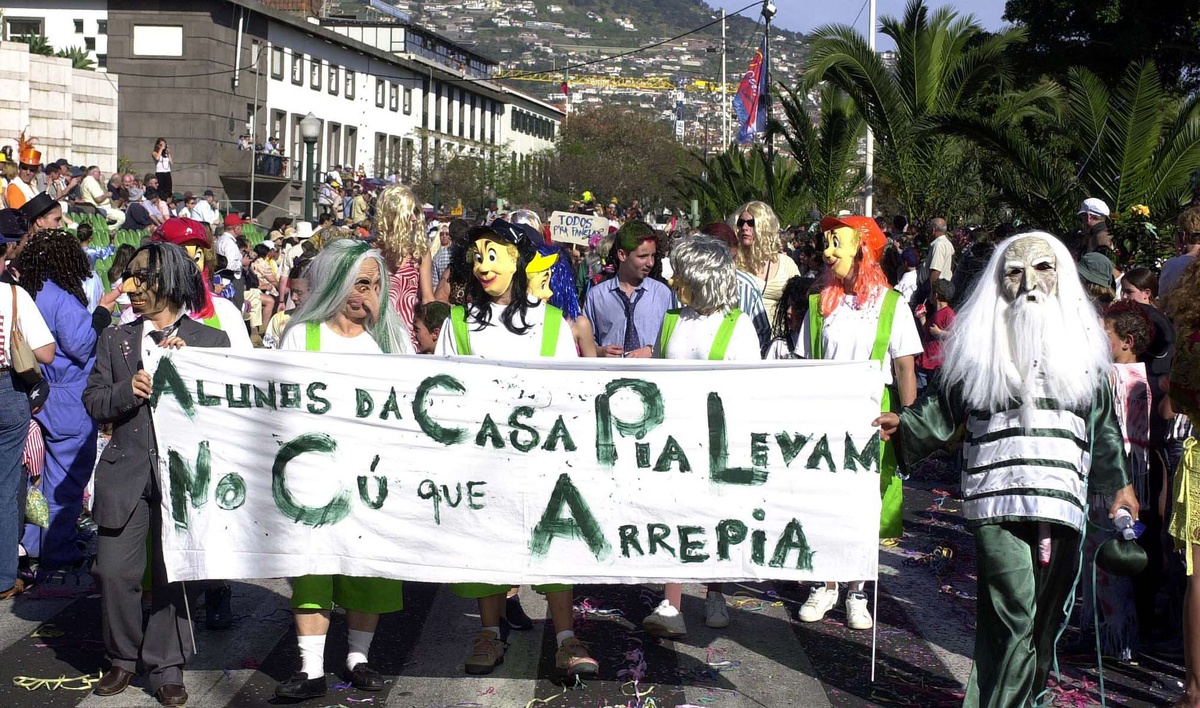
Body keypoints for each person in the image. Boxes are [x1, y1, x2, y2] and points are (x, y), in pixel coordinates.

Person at [874, 231, 1136, 708]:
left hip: (1060, 498)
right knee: (1014, 610)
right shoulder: (979, 349)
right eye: (1015, 272)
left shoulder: (1085, 351)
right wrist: (906, 423)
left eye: (1042, 269)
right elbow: (943, 407)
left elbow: (1102, 425)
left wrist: (1120, 484)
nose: (1029, 284)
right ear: (999, 283)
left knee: (1044, 617)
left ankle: (1027, 694)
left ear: (1061, 277)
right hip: (996, 494)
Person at [436, 220, 597, 678]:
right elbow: (442, 388)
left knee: (554, 544)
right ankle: (489, 633)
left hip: (540, 462)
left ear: (518, 260)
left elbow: (569, 393)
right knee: (486, 542)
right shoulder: (459, 322)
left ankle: (566, 638)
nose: (483, 266)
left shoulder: (552, 323)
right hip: (482, 461)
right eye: (477, 256)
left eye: (494, 255)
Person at [83, 241, 230, 706]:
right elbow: (94, 401)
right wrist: (128, 389)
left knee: (175, 575)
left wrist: (193, 372)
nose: (132, 286)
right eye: (130, 276)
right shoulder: (115, 338)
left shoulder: (210, 341)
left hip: (183, 478)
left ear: (171, 280)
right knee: (113, 571)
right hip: (124, 473)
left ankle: (167, 665)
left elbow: (227, 412)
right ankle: (122, 657)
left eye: (142, 277)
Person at [274, 240, 411, 701]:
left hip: (369, 477)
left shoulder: (390, 344)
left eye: (372, 284)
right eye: (355, 282)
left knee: (367, 569)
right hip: (313, 475)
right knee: (311, 565)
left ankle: (358, 657)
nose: (363, 293)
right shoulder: (303, 335)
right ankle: (310, 668)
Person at [798, 215, 921, 631]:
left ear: (862, 249)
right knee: (823, 503)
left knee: (865, 506)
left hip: (873, 417)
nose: (827, 252)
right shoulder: (819, 304)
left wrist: (907, 424)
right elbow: (803, 364)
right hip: (825, 415)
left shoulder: (892, 304)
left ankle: (857, 590)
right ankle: (824, 583)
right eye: (826, 243)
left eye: (837, 243)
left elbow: (904, 368)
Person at [643, 234, 760, 638]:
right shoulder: (671, 320)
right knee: (674, 514)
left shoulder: (738, 325)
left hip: (719, 440)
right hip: (674, 438)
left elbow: (750, 389)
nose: (673, 281)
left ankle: (715, 592)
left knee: (716, 516)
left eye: (681, 275)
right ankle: (671, 602)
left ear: (703, 278)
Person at [12, 230, 118, 575]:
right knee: (65, 480)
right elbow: (81, 344)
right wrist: (101, 314)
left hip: (36, 392)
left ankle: (32, 544)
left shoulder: (27, 291)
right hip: (68, 395)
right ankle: (58, 551)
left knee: (36, 479)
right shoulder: (60, 298)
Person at [0, 267, 56, 599]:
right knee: (6, 487)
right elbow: (46, 352)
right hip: (6, 390)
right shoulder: (13, 295)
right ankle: (3, 578)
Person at [583, 221, 673, 358]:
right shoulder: (597, 296)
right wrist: (600, 351)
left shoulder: (663, 294)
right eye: (642, 256)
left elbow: (673, 339)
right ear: (622, 255)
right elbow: (584, 342)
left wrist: (652, 350)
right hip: (610, 370)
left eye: (653, 255)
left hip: (651, 370)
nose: (650, 263)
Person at [700, 222, 772, 353]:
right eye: (723, 260)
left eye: (733, 258)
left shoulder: (747, 287)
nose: (729, 266)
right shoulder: (684, 287)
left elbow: (763, 333)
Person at [730, 201, 800, 326]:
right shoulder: (733, 263)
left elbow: (799, 300)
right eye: (741, 223)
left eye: (751, 223)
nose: (744, 227)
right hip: (744, 333)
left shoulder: (786, 264)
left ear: (765, 227)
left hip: (778, 334)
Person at [373, 184, 427, 346]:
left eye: (415, 212)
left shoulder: (419, 252)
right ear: (393, 215)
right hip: (381, 333)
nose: (414, 218)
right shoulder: (374, 254)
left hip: (411, 336)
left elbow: (427, 298)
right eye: (409, 213)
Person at [915, 279, 956, 391]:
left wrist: (940, 333)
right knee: (921, 390)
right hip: (925, 360)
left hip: (936, 364)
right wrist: (922, 318)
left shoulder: (948, 313)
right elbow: (928, 332)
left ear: (936, 295)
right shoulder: (936, 314)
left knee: (933, 392)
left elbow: (955, 335)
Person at [763, 275, 814, 360]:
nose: (788, 311)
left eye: (795, 307)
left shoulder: (818, 343)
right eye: (788, 305)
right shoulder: (779, 346)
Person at [263, 260, 309, 349]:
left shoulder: (329, 323)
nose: (293, 297)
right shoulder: (279, 319)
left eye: (299, 292)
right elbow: (271, 353)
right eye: (292, 291)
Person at [5, 132, 40, 210]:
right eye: (25, 168)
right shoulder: (15, 187)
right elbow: (19, 214)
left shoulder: (32, 187)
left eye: (32, 170)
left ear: (36, 171)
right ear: (19, 168)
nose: (28, 172)